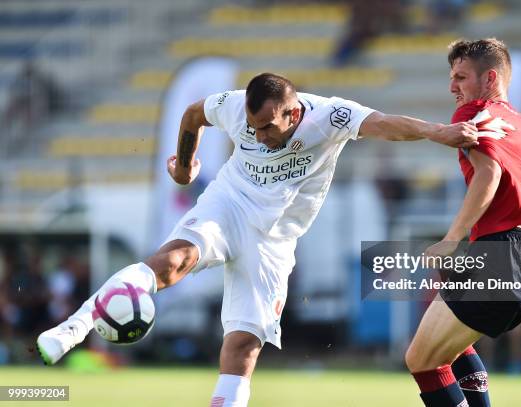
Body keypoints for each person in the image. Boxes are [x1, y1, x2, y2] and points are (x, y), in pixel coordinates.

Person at [37, 73, 478, 406]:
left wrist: (439, 132)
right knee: (172, 262)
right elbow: (193, 113)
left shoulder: (330, 115)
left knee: (244, 346)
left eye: (268, 127)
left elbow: (385, 124)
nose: (259, 136)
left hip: (275, 241)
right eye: (253, 126)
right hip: (228, 205)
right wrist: (185, 165)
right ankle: (71, 330)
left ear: (294, 112)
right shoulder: (236, 109)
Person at [404, 38, 521, 407]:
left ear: (490, 78)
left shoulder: (473, 114)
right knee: (446, 348)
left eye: (461, 77)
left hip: (501, 252)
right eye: (451, 77)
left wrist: (453, 237)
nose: (453, 86)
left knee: (421, 361)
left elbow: (490, 174)